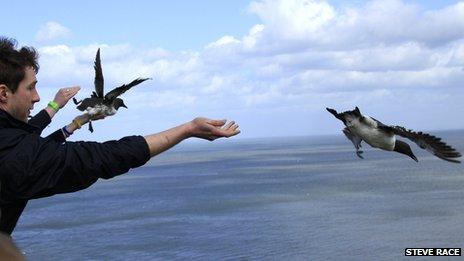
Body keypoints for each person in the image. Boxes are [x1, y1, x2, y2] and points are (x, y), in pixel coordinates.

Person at [0, 37, 240, 235]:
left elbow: (31, 146)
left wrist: (76, 120)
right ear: (4, 93)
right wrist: (188, 129)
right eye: (31, 87)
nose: (37, 97)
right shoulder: (16, 156)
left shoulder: (12, 143)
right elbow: (99, 157)